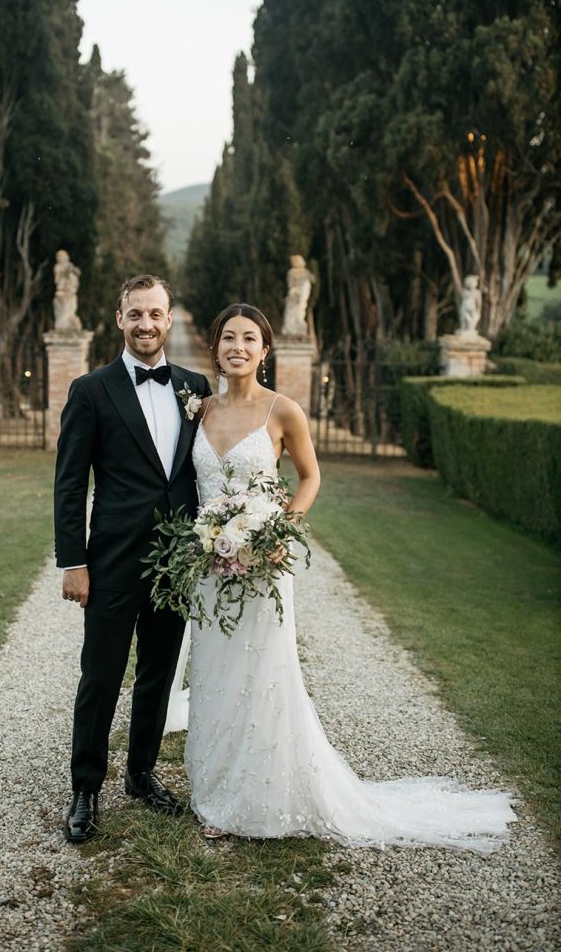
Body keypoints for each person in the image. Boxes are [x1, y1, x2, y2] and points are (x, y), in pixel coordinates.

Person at [185, 302, 516, 850]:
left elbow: (311, 477)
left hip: (264, 568)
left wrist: (277, 534)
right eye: (227, 338)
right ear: (215, 346)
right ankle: (216, 792)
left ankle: (261, 799)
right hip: (210, 569)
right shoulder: (201, 412)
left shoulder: (283, 410)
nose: (236, 347)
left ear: (265, 351)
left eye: (248, 338)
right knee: (216, 675)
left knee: (263, 675)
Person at [54, 274, 212, 844]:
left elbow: (204, 474)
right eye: (136, 314)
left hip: (176, 563)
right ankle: (85, 787)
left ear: (170, 319)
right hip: (112, 561)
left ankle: (141, 774)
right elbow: (70, 484)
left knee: (158, 674)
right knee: (99, 675)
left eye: (156, 313)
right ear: (120, 319)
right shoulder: (90, 391)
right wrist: (73, 561)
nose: (146, 324)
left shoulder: (195, 387)